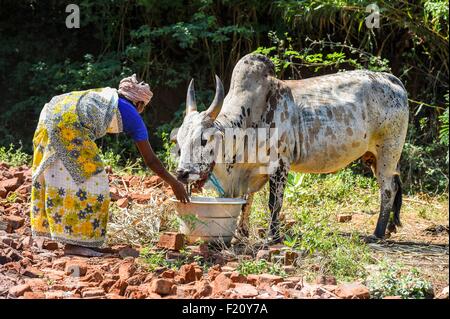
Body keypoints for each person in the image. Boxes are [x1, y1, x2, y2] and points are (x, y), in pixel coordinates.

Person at [30, 74, 189, 257]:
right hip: (68, 126)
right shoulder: (131, 113)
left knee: (59, 176)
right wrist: (174, 183)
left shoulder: (106, 96)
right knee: (94, 183)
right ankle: (77, 244)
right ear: (139, 104)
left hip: (50, 114)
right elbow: (151, 160)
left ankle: (74, 239)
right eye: (143, 107)